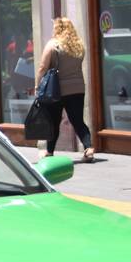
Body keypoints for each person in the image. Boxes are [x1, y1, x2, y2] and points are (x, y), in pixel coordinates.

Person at [37, 17, 93, 162]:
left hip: (56, 90)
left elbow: (43, 67)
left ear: (58, 28)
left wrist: (38, 85)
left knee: (54, 121)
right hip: (77, 88)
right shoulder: (78, 46)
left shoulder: (53, 45)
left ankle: (49, 151)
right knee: (78, 120)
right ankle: (88, 147)